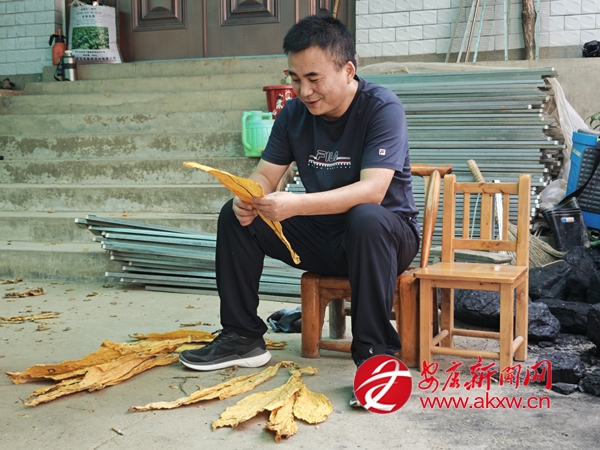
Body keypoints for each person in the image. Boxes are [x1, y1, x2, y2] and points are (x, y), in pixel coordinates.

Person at [179, 14, 420, 406]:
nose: (304, 91)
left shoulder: (381, 107)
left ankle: (375, 357)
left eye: (313, 78)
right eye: (294, 78)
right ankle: (242, 337)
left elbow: (373, 191)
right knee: (235, 216)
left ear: (348, 71)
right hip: (324, 235)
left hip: (385, 239)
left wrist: (295, 205)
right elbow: (265, 174)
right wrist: (250, 195)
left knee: (365, 217)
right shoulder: (293, 114)